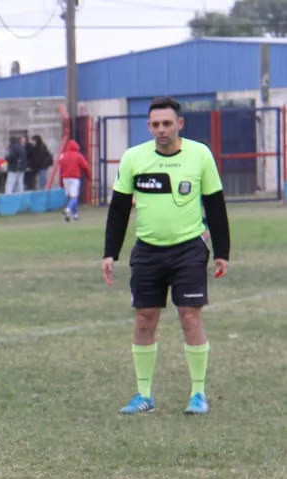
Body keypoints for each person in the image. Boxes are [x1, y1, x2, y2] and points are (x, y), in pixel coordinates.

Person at [102, 95, 230, 416]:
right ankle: (144, 395)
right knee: (145, 318)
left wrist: (222, 252)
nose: (161, 129)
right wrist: (109, 253)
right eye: (156, 124)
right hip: (147, 250)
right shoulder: (133, 158)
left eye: (167, 124)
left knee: (190, 315)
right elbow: (119, 209)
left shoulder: (200, 155)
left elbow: (215, 205)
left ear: (180, 124)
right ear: (149, 126)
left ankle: (198, 394)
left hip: (189, 248)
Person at [58, 139, 91, 222]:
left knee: (71, 197)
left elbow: (61, 170)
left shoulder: (63, 156)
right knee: (74, 197)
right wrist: (88, 177)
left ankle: (75, 215)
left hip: (65, 178)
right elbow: (85, 167)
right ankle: (68, 210)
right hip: (74, 178)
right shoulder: (78, 155)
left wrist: (61, 181)